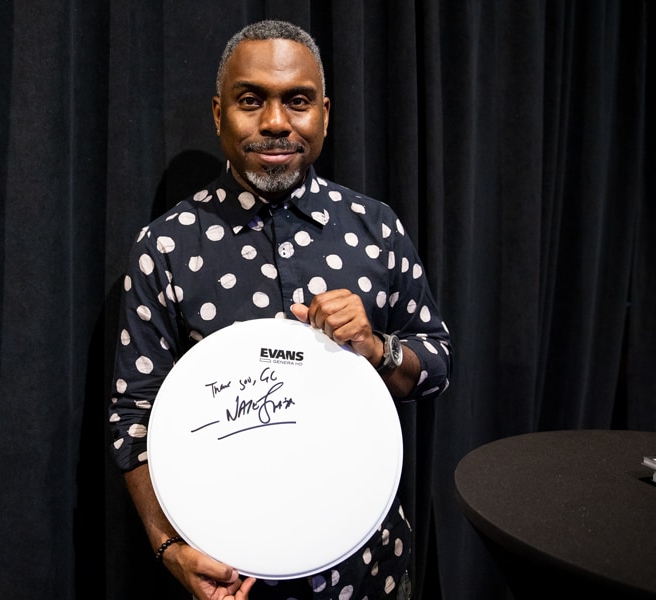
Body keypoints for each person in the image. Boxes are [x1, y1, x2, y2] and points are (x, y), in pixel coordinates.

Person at [109, 19, 452, 600]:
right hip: (228, 576)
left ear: (324, 113)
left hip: (367, 570)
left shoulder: (376, 228)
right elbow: (132, 416)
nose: (274, 122)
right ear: (219, 114)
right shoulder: (166, 246)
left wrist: (378, 348)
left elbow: (437, 363)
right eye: (251, 101)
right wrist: (170, 548)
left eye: (297, 101)